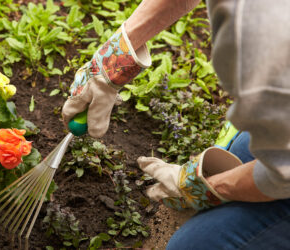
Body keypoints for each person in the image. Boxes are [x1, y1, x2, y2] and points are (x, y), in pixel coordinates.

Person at [62, 0, 290, 249]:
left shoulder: (270, 46)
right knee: (240, 153)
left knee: (193, 245)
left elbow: (283, 171)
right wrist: (112, 60)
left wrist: (201, 186)